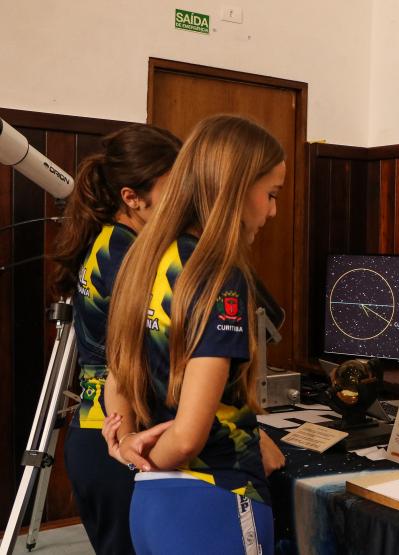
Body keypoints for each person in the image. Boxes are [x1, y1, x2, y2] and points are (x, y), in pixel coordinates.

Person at [102, 114, 286, 554]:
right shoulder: (218, 276)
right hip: (216, 500)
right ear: (236, 189)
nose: (272, 211)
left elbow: (118, 374)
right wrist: (144, 459)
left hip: (151, 506)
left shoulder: (145, 259)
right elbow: (187, 437)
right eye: (271, 194)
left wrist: (127, 446)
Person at [49, 123, 181, 555]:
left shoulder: (110, 240)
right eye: (174, 188)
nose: (185, 200)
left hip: (97, 432)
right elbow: (141, 359)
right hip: (119, 438)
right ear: (132, 197)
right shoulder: (127, 257)